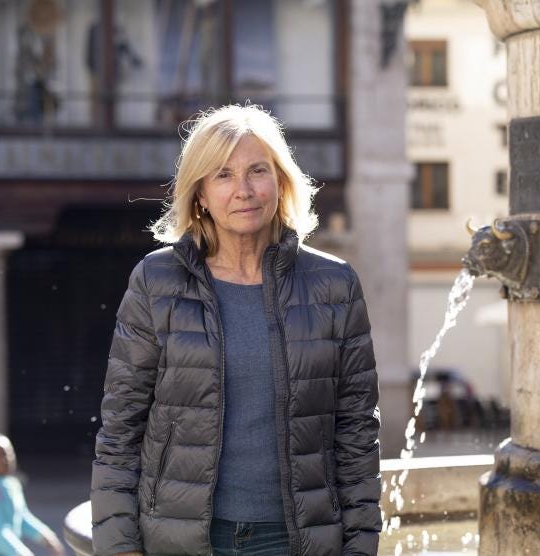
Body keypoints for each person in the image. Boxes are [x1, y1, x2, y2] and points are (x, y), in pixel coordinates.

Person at [91, 104, 382, 556]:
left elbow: (357, 432)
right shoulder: (156, 282)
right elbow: (120, 429)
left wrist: (361, 545)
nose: (243, 190)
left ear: (281, 181)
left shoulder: (334, 285)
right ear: (200, 194)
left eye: (257, 171)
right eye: (223, 175)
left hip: (295, 541)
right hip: (180, 539)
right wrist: (119, 546)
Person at [0, 433, 65, 556]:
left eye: (7, 453)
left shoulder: (12, 484)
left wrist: (47, 538)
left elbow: (22, 516)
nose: (4, 459)